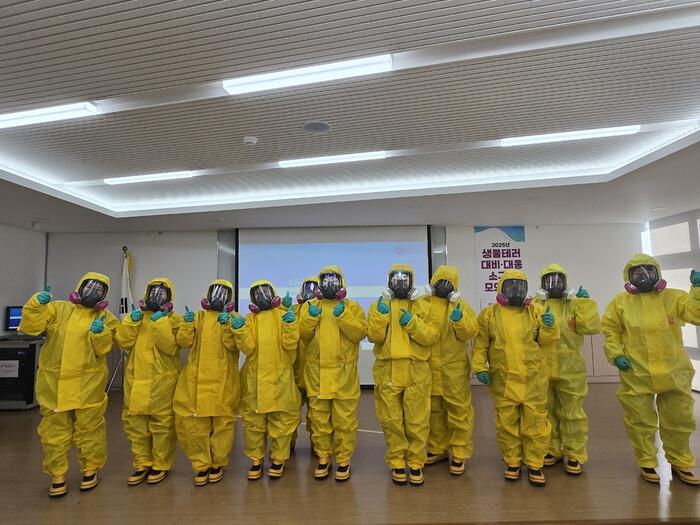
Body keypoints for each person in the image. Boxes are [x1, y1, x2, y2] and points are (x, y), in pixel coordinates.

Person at [602, 254, 700, 485]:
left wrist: (697, 290)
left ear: (658, 273)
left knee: (679, 419)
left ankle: (680, 463)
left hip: (673, 371)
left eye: (648, 271)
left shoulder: (674, 297)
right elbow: (611, 331)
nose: (643, 276)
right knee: (640, 420)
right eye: (637, 273)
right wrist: (616, 354)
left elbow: (697, 315)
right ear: (628, 277)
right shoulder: (620, 302)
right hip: (637, 372)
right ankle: (646, 461)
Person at [19, 273, 118, 497]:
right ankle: (57, 475)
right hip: (55, 385)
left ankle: (90, 469)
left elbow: (104, 349)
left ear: (104, 295)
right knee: (54, 432)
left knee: (90, 430)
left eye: (99, 290)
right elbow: (32, 328)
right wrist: (35, 305)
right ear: (79, 287)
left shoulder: (106, 317)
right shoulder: (58, 309)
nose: (92, 292)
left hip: (88, 385)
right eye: (89, 287)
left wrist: (100, 334)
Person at [472, 269, 560, 487]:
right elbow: (481, 345)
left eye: (520, 286)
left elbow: (546, 341)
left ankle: (535, 463)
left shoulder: (536, 311)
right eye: (510, 286)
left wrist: (549, 326)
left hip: (533, 380)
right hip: (503, 380)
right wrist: (480, 367)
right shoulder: (489, 314)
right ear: (501, 288)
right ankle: (512, 461)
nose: (515, 291)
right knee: (506, 424)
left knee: (536, 423)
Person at [368, 263, 439, 485]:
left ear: (412, 281)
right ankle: (397, 461)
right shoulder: (380, 305)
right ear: (389, 281)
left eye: (405, 280)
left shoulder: (423, 305)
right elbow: (374, 336)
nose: (400, 284)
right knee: (391, 419)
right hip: (388, 368)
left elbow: (431, 336)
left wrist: (412, 323)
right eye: (396, 280)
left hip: (416, 368)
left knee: (417, 419)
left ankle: (416, 462)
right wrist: (381, 317)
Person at [299, 266, 367, 481]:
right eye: (326, 281)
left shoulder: (352, 307)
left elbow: (359, 333)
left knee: (344, 421)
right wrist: (310, 319)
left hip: (343, 375)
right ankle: (323, 457)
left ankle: (344, 459)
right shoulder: (310, 306)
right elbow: (302, 336)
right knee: (320, 419)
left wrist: (344, 316)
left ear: (342, 283)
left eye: (334, 281)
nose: (330, 285)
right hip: (317, 374)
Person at [535, 264, 600, 476]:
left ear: (566, 282)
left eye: (559, 280)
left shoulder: (574, 304)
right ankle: (551, 449)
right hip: (541, 367)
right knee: (545, 412)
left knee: (573, 414)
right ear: (542, 283)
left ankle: (574, 453)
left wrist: (586, 304)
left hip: (570, 368)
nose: (554, 284)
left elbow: (590, 328)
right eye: (549, 280)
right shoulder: (535, 304)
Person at [115, 278, 181, 486]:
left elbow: (170, 348)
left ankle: (160, 464)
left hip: (163, 382)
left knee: (162, 426)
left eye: (162, 294)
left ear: (169, 298)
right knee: (136, 425)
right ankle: (142, 463)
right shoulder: (135, 317)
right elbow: (123, 342)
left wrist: (161, 322)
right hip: (137, 381)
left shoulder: (174, 320)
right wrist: (130, 322)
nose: (156, 297)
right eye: (153, 292)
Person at [173, 280, 240, 487]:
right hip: (195, 380)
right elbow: (184, 343)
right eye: (215, 292)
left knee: (222, 424)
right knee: (194, 425)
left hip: (223, 380)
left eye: (224, 293)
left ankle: (217, 463)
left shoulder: (235, 319)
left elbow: (234, 345)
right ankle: (201, 464)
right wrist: (186, 324)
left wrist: (228, 326)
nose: (218, 297)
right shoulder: (198, 317)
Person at [233, 280, 300, 480]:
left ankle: (278, 459)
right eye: (257, 294)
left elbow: (290, 345)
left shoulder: (283, 316)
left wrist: (290, 326)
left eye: (265, 292)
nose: (262, 297)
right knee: (254, 423)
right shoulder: (249, 320)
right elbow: (248, 348)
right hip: (255, 379)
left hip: (280, 378)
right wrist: (240, 331)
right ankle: (256, 460)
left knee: (281, 422)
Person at [424, 265, 479, 476]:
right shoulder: (423, 303)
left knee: (459, 412)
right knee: (434, 412)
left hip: (453, 368)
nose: (443, 286)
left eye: (448, 283)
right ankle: (437, 448)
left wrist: (460, 321)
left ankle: (459, 452)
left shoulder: (460, 305)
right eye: (440, 281)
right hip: (429, 367)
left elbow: (471, 331)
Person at [288, 276, 319, 454]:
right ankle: (286, 444)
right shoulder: (292, 310)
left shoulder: (321, 310)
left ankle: (319, 445)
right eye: (307, 288)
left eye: (314, 288)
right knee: (289, 412)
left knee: (317, 414)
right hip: (294, 371)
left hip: (315, 372)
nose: (310, 292)